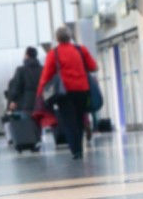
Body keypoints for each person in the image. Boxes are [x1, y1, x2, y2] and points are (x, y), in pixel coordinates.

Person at [37, 27, 98, 161]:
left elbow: (46, 75)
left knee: (69, 121)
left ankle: (75, 150)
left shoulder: (54, 54)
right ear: (70, 37)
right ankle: (80, 148)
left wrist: (41, 92)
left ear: (57, 39)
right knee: (79, 119)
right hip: (83, 90)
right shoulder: (81, 50)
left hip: (65, 92)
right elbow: (94, 67)